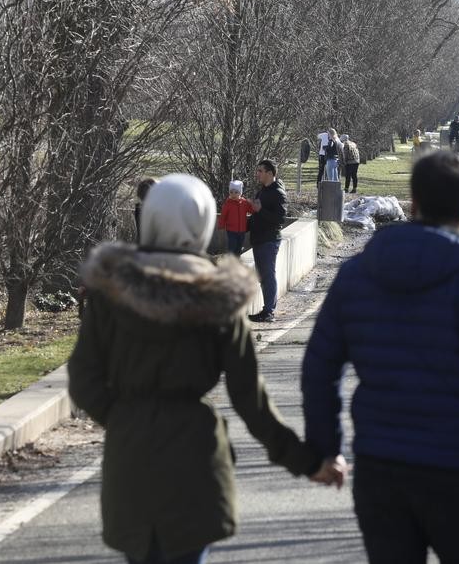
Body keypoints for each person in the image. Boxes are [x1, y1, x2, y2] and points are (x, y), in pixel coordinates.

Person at [69, 174, 336, 564]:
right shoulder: (219, 299)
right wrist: (308, 462)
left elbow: (83, 379)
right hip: (195, 456)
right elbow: (250, 401)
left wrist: (126, 417)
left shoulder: (111, 293)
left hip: (129, 457)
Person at [302, 151, 459, 561]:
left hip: (380, 469)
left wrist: (326, 448)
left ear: (413, 204)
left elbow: (319, 368)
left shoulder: (358, 276)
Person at [248, 159, 287, 323]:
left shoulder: (278, 193)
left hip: (269, 240)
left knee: (268, 276)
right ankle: (267, 310)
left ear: (270, 173)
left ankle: (269, 312)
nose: (257, 174)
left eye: (260, 171)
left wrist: (260, 210)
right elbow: (257, 215)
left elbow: (280, 219)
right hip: (259, 239)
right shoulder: (262, 191)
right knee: (263, 276)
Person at [216, 179, 254, 255]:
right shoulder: (227, 204)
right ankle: (231, 262)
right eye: (231, 192)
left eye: (236, 192)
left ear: (240, 193)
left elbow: (252, 211)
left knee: (239, 247)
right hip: (231, 231)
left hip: (242, 230)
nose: (233, 194)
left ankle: (237, 261)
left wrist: (252, 204)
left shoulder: (244, 203)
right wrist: (221, 227)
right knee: (232, 247)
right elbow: (223, 216)